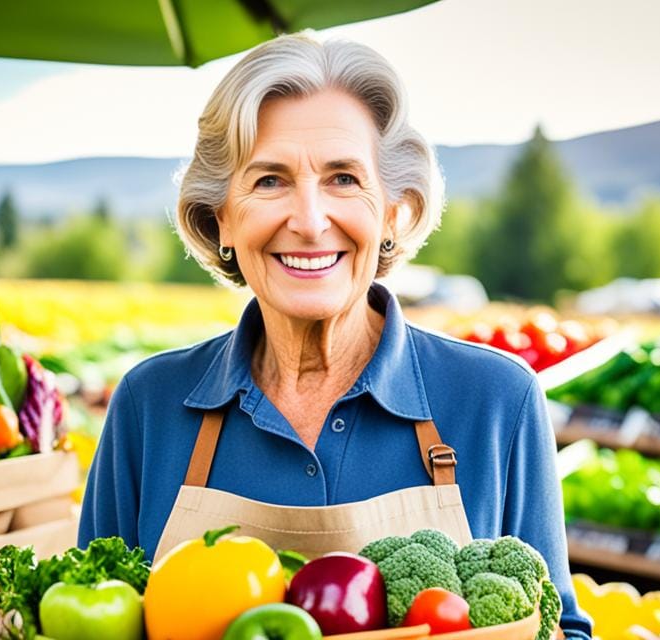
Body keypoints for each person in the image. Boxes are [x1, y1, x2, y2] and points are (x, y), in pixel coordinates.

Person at [79, 33, 592, 638]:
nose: (309, 219)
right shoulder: (150, 403)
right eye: (269, 180)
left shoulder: (496, 400)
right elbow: (85, 613)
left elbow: (561, 629)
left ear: (394, 211)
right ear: (221, 218)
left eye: (343, 178)